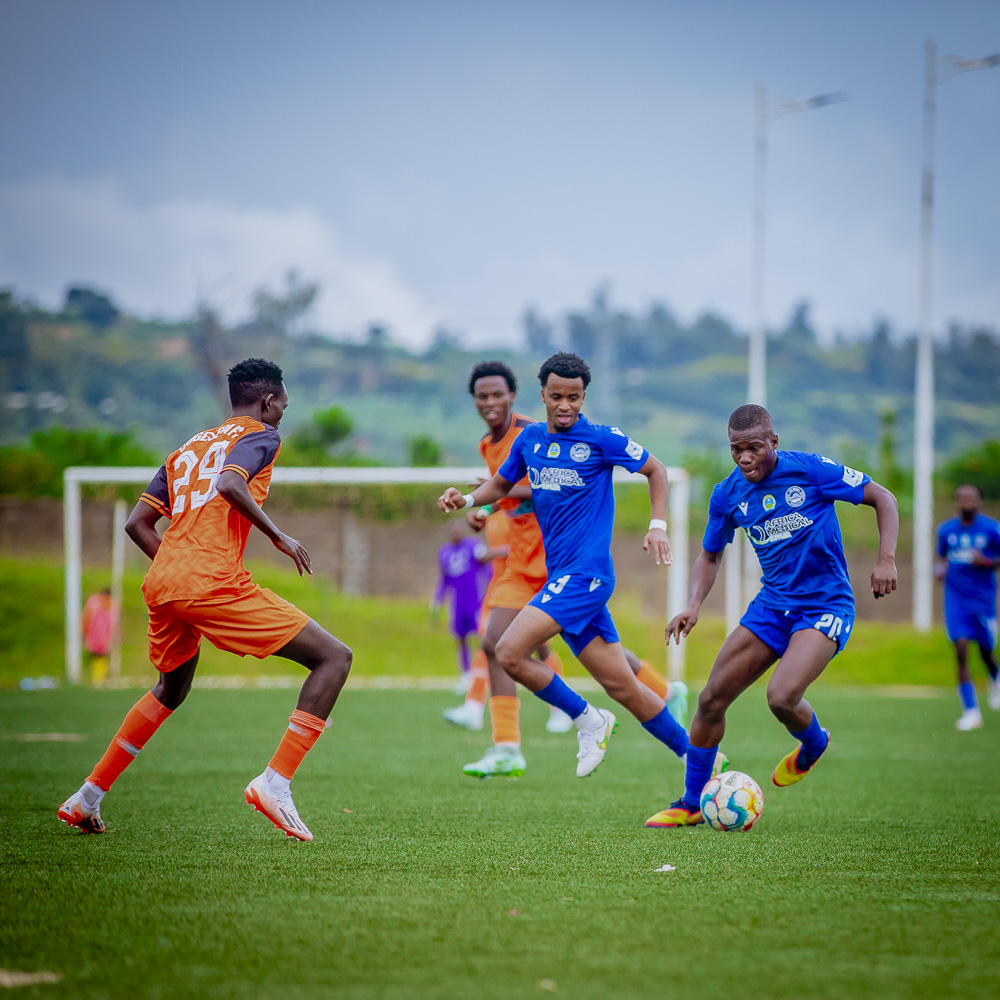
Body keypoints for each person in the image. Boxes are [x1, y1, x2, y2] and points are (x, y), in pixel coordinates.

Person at [58, 358, 352, 842]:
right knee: (334, 658)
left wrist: (177, 566)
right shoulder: (261, 435)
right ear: (267, 401)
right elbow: (230, 483)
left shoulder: (187, 448)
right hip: (210, 580)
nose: (282, 415)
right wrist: (277, 536)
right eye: (282, 406)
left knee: (170, 690)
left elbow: (137, 524)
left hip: (164, 581)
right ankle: (274, 783)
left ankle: (86, 798)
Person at [439, 352, 699, 787]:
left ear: (583, 397)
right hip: (561, 575)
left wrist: (658, 526)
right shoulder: (530, 440)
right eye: (557, 396)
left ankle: (588, 720)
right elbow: (501, 484)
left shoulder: (601, 439)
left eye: (574, 397)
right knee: (623, 686)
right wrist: (467, 501)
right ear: (543, 394)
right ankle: (699, 759)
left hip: (586, 576)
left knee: (507, 650)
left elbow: (655, 469)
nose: (565, 405)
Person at [646, 404, 898, 828]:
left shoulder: (811, 471)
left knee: (781, 697)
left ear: (773, 442)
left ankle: (813, 743)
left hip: (825, 605)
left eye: (754, 448)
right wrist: (693, 605)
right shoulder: (727, 493)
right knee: (710, 700)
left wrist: (886, 559)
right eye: (736, 450)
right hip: (772, 606)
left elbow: (883, 498)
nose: (745, 458)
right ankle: (691, 802)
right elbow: (710, 555)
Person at [935, 484, 1000, 730]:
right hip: (956, 600)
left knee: (986, 651)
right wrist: (939, 570)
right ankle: (971, 711)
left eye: (972, 498)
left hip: (982, 601)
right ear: (957, 502)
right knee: (960, 649)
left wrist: (985, 561)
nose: (967, 502)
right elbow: (941, 558)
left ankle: (995, 677)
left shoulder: (991, 529)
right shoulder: (946, 530)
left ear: (979, 501)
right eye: (962, 498)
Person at [430, 520, 488, 692]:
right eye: (453, 531)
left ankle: (484, 673)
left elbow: (487, 567)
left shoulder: (473, 546)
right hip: (457, 603)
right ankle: (466, 675)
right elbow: (444, 580)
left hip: (475, 601)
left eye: (459, 530)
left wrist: (487, 588)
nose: (456, 533)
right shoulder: (444, 552)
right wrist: (437, 601)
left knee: (483, 638)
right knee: (461, 638)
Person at [82, 587, 119, 686]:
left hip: (105, 639)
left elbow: (114, 624)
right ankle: (98, 680)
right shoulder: (94, 603)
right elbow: (86, 618)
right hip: (94, 637)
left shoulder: (113, 606)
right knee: (97, 659)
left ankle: (99, 680)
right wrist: (84, 632)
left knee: (102, 659)